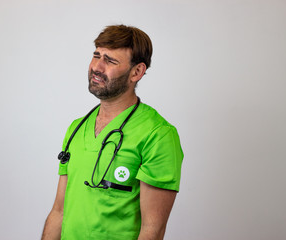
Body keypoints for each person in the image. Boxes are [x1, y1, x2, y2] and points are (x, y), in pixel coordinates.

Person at [42, 24, 183, 240]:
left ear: (137, 72)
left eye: (110, 60)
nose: (97, 67)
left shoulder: (157, 135)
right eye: (96, 55)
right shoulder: (77, 128)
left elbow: (152, 231)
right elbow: (58, 212)